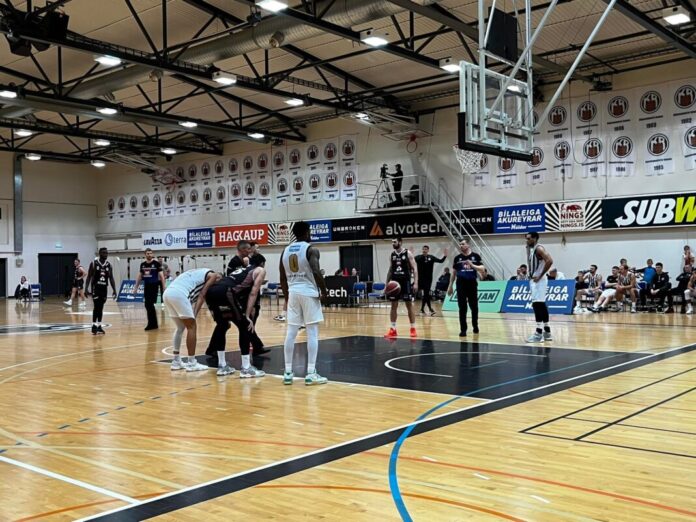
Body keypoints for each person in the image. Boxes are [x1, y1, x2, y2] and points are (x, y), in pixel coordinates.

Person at [280, 221, 328, 385]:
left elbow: (282, 278)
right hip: (308, 292)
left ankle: (287, 372)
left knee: (291, 333)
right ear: (307, 232)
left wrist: (287, 297)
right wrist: (324, 291)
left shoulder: (285, 251)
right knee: (312, 332)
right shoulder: (311, 249)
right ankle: (311, 372)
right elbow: (316, 271)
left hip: (293, 292)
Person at [205, 264, 267, 377]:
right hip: (225, 291)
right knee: (245, 326)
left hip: (211, 291)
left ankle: (222, 366)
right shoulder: (260, 270)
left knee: (222, 326)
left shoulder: (242, 271)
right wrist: (247, 315)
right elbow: (253, 293)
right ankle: (246, 368)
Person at [163, 268, 219, 372]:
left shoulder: (197, 272)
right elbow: (202, 295)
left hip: (168, 293)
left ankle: (176, 361)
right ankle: (192, 362)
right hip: (179, 294)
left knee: (180, 328)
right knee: (192, 326)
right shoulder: (214, 275)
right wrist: (195, 314)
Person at [447, 240, 484, 336]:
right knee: (462, 307)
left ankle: (475, 325)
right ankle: (463, 329)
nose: (461, 245)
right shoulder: (457, 258)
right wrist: (450, 285)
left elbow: (482, 269)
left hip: (472, 284)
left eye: (463, 244)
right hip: (460, 284)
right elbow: (454, 273)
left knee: (474, 307)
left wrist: (472, 265)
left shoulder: (476, 256)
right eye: (460, 244)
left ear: (468, 245)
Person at [384, 237, 418, 339]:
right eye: (392, 242)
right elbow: (391, 270)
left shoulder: (408, 253)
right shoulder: (392, 255)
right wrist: (386, 283)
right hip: (395, 282)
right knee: (393, 306)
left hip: (405, 282)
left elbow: (415, 269)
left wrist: (415, 283)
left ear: (400, 242)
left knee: (409, 305)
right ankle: (393, 329)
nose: (393, 243)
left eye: (394, 242)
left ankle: (413, 329)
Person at [525, 232, 553, 343]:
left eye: (529, 239)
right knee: (541, 304)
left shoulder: (539, 249)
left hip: (539, 281)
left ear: (535, 238)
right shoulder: (532, 249)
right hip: (535, 280)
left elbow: (550, 261)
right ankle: (547, 332)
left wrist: (540, 275)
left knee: (537, 305)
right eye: (526, 239)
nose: (527, 241)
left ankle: (538, 333)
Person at [85, 247, 117, 335]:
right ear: (99, 254)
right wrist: (86, 288)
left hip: (104, 289)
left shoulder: (109, 265)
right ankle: (93, 325)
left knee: (101, 307)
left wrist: (114, 290)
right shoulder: (94, 263)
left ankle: (99, 326)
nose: (105, 254)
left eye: (106, 253)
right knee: (96, 306)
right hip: (96, 288)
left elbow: (111, 278)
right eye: (103, 253)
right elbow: (89, 277)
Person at [133, 248, 166, 331]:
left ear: (152, 254)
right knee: (148, 305)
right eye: (148, 253)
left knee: (149, 304)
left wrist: (164, 287)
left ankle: (152, 324)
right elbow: (140, 276)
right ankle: (153, 324)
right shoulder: (142, 265)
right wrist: (136, 287)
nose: (149, 255)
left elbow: (161, 276)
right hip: (147, 286)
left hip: (154, 286)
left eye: (151, 253)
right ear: (145, 254)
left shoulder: (156, 264)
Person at [415, 245, 448, 316]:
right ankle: (428, 309)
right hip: (420, 278)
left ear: (428, 250)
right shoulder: (418, 257)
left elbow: (441, 261)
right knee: (425, 294)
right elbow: (410, 261)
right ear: (422, 250)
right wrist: (409, 254)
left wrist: (445, 256)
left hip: (428, 279)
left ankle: (424, 309)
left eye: (426, 249)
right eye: (423, 249)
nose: (424, 250)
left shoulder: (431, 257)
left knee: (426, 294)